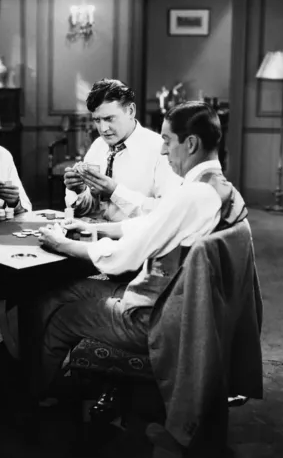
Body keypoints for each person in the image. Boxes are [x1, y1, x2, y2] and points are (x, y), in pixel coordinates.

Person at [37, 102, 249, 454]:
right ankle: (57, 387)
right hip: (188, 311)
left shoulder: (194, 194)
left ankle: (37, 405)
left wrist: (63, 244)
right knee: (64, 291)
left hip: (159, 319)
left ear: (191, 143)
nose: (163, 149)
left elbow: (125, 258)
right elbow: (153, 222)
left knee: (57, 313)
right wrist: (96, 227)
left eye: (168, 141)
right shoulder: (217, 187)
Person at [64, 78, 181, 222]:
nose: (103, 129)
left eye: (109, 119)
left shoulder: (160, 150)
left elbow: (167, 213)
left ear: (130, 111)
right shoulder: (97, 146)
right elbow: (88, 209)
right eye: (97, 120)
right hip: (96, 237)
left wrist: (115, 191)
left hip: (137, 241)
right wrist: (79, 190)